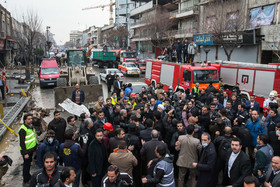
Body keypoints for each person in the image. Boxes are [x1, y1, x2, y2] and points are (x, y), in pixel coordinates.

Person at [18, 114, 37, 185]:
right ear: (25, 120)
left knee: (29, 164)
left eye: (31, 118)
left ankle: (28, 175)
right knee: (26, 165)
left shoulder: (30, 126)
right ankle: (26, 180)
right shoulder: (22, 129)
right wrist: (25, 153)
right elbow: (22, 143)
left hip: (31, 149)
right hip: (27, 151)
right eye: (29, 119)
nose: (31, 120)